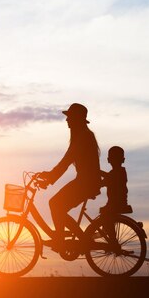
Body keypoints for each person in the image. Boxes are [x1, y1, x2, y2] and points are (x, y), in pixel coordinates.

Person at [38, 103, 101, 250]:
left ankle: (62, 241)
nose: (67, 120)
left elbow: (66, 162)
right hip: (85, 181)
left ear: (76, 119)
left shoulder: (83, 137)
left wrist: (50, 177)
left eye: (69, 117)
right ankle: (79, 240)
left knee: (55, 204)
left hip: (86, 183)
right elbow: (66, 161)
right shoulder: (82, 136)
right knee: (57, 205)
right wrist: (50, 178)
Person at [100, 146, 132, 215]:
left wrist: (97, 172)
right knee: (105, 216)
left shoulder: (119, 173)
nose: (114, 161)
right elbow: (106, 179)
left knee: (105, 216)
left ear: (108, 160)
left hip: (116, 203)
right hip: (116, 203)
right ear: (123, 160)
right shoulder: (119, 172)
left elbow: (108, 178)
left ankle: (107, 225)